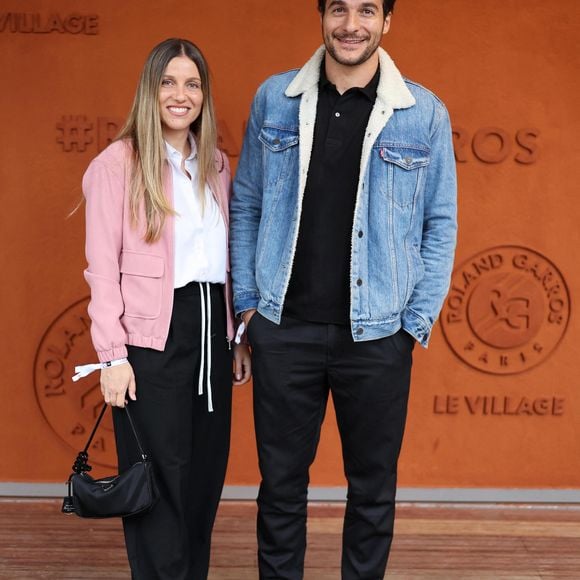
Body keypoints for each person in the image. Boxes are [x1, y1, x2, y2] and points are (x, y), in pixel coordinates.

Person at [230, 0, 457, 577]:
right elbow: (248, 204)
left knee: (373, 491)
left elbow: (440, 222)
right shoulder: (274, 100)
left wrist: (413, 323)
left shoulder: (422, 112)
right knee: (280, 489)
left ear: (387, 21)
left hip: (379, 333)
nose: (350, 24)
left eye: (366, 10)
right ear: (321, 16)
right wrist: (250, 308)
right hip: (285, 329)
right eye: (338, 9)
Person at [79, 38, 251, 579]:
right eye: (169, 82)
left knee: (202, 481)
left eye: (193, 83)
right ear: (150, 92)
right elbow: (102, 267)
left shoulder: (215, 165)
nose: (181, 94)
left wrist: (235, 338)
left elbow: (222, 260)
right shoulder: (117, 165)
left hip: (211, 335)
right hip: (151, 339)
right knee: (158, 485)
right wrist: (112, 355)